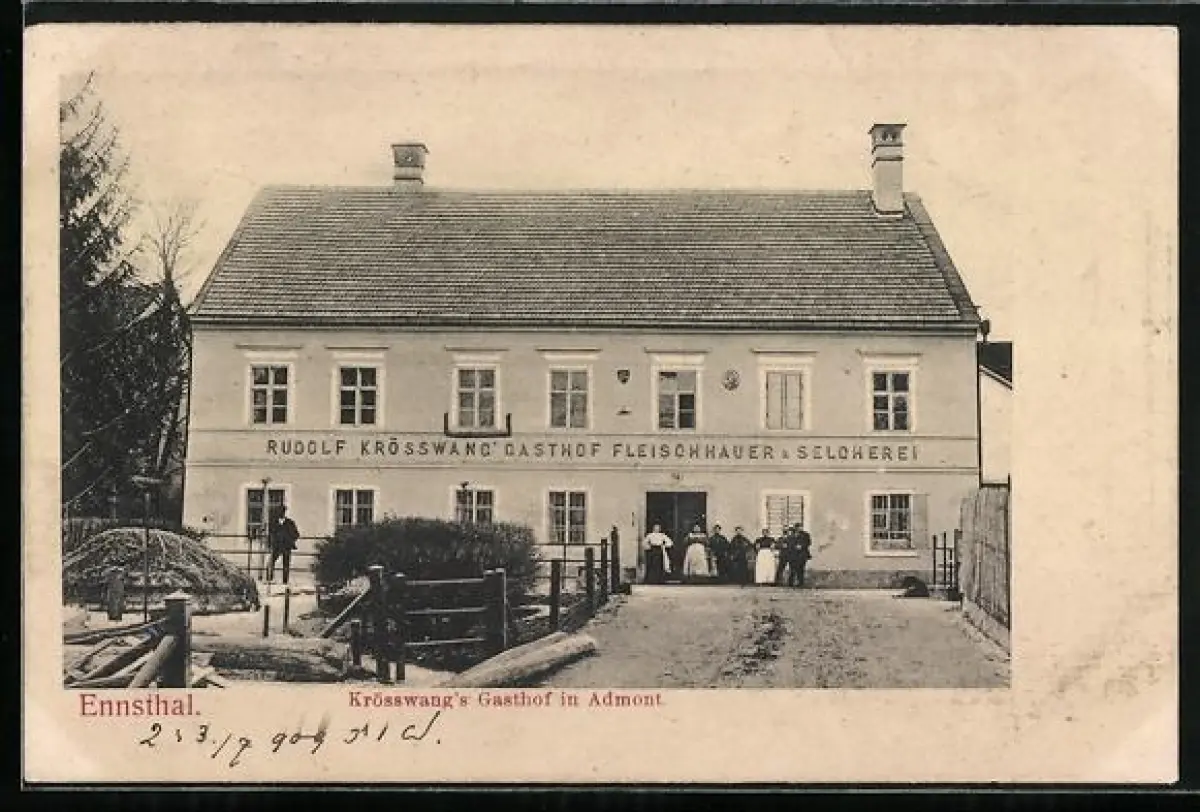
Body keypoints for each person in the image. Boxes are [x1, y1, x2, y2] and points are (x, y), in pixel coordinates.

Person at [266, 505, 300, 584]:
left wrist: (290, 539)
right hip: (276, 545)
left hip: (286, 546)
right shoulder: (274, 523)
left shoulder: (290, 523)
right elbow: (270, 534)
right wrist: (270, 543)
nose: (280, 513)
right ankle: (269, 579)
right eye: (279, 511)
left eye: (282, 511)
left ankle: (285, 581)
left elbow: (296, 534)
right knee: (271, 561)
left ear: (284, 512)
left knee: (286, 564)